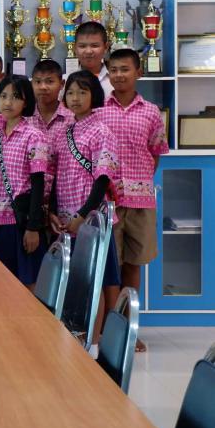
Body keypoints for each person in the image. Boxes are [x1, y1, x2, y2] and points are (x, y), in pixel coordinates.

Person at [100, 48, 168, 352]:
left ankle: (128, 329)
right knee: (110, 269)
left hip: (141, 202)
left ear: (138, 72)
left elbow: (155, 154)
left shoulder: (151, 112)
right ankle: (108, 328)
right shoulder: (99, 109)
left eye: (125, 69)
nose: (119, 75)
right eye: (113, 70)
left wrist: (138, 184)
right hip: (108, 203)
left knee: (133, 265)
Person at [49, 70, 121, 351]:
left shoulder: (101, 131)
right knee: (72, 280)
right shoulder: (64, 132)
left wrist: (83, 216)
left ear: (95, 95)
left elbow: (102, 179)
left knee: (94, 282)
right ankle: (73, 339)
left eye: (82, 92)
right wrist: (53, 212)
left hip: (91, 219)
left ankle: (92, 343)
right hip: (66, 219)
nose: (75, 98)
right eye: (70, 92)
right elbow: (55, 175)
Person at [0, 76, 49, 287]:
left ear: (26, 102)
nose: (8, 102)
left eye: (16, 97)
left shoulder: (34, 136)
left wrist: (33, 227)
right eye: (3, 96)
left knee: (25, 283)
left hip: (17, 222)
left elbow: (38, 183)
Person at [29, 59, 72, 204]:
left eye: (49, 81)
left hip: (64, 196)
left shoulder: (72, 119)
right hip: (29, 197)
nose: (43, 87)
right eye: (38, 82)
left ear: (62, 84)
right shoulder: (23, 118)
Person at [74, 21, 113, 97]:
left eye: (94, 46)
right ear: (75, 48)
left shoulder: (115, 80)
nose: (88, 51)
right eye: (82, 46)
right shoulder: (65, 82)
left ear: (105, 47)